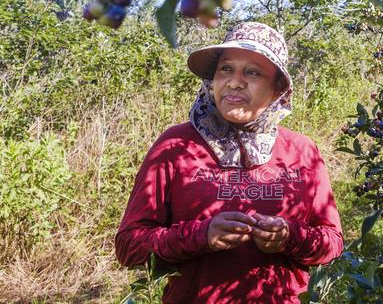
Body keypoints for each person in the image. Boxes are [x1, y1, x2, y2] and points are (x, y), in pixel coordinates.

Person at [115, 22, 343, 303]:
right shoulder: (176, 145)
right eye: (226, 69)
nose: (235, 81)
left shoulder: (301, 151)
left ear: (278, 89)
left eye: (253, 72)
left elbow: (332, 243)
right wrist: (201, 235)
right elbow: (129, 246)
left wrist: (288, 236)